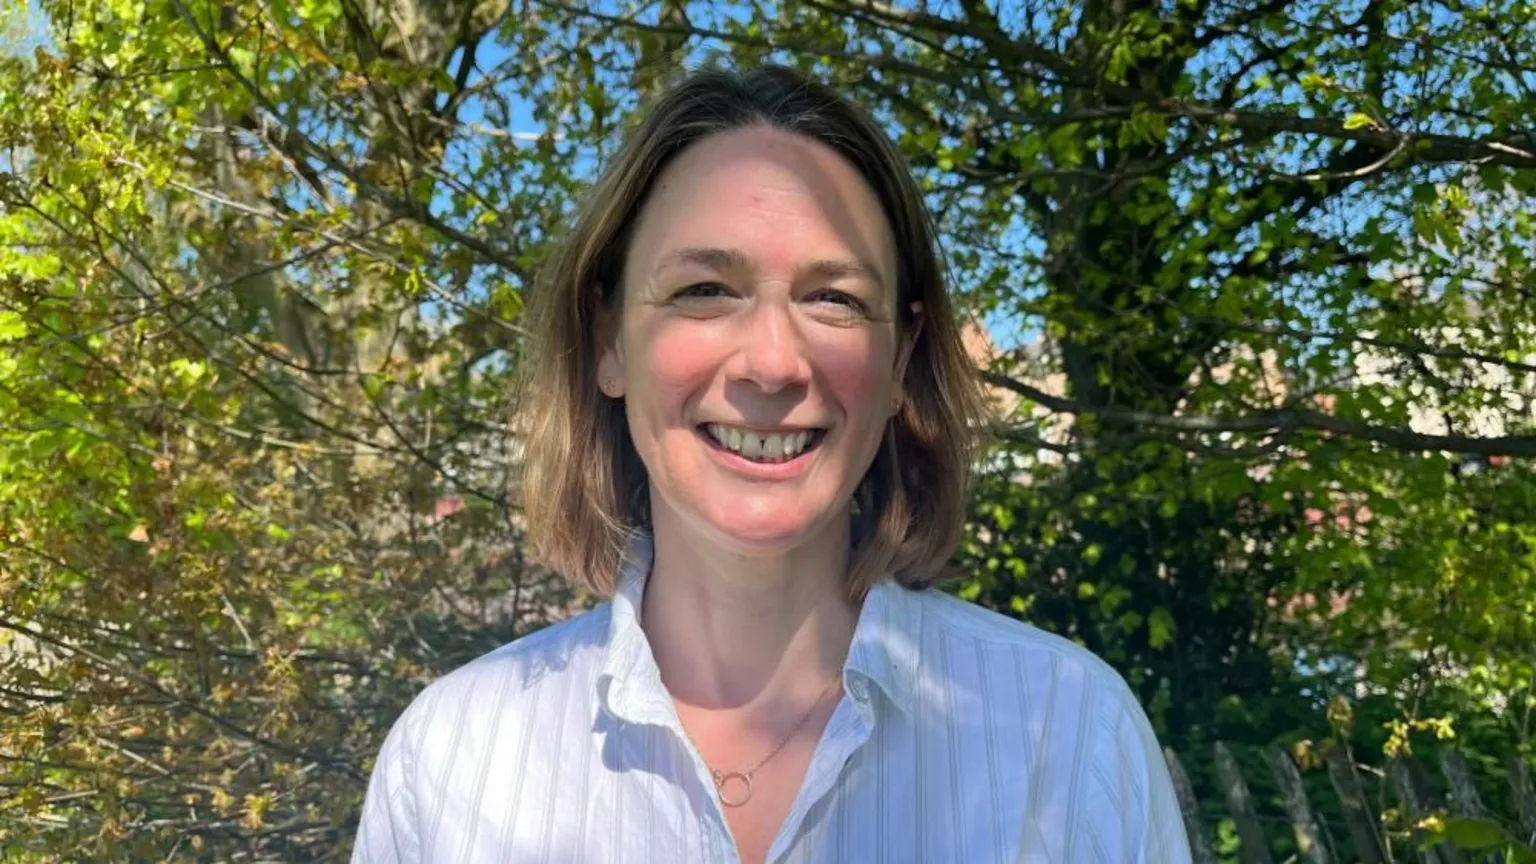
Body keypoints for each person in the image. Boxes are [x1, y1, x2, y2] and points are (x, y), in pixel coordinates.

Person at [351, 64, 1192, 864]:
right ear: (609, 340)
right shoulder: (452, 761)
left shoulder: (1068, 739)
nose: (772, 363)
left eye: (835, 299)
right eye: (704, 290)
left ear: (901, 361)